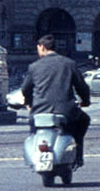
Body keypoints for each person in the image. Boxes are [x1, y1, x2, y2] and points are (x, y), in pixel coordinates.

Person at [19, 35, 91, 167]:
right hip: (66, 112)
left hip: (39, 111)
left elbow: (25, 89)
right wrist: (85, 101)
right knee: (83, 120)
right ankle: (78, 155)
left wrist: (29, 104)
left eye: (38, 48)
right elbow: (82, 86)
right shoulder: (69, 64)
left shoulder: (34, 67)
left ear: (42, 47)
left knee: (33, 128)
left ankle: (35, 149)